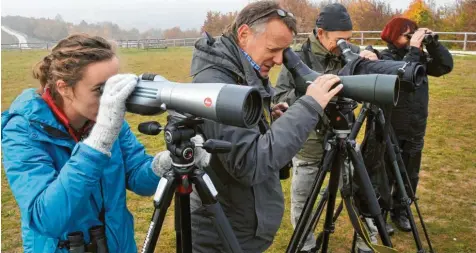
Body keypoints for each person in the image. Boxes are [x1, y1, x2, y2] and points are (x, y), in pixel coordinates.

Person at [1, 34, 209, 253]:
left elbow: (137, 177)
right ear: (63, 87)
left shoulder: (106, 118)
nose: (111, 99)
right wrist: (98, 143)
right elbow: (46, 218)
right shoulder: (23, 131)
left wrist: (169, 163)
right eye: (100, 90)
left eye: (114, 87)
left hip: (118, 244)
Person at [188, 1, 343, 252]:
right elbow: (249, 162)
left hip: (239, 227)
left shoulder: (241, 72)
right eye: (274, 49)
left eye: (285, 51)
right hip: (221, 236)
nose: (281, 60)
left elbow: (242, 138)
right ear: (244, 34)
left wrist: (267, 119)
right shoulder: (217, 86)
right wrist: (309, 106)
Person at [273, 3, 378, 252]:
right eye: (340, 40)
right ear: (321, 33)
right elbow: (279, 96)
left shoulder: (351, 53)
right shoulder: (297, 58)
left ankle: (366, 242)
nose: (345, 46)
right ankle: (306, 246)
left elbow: (373, 78)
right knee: (303, 200)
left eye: (349, 40)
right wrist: (313, 99)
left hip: (345, 138)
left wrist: (373, 58)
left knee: (359, 194)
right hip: (308, 144)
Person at [378, 17, 453, 232]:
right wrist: (414, 49)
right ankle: (380, 214)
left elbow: (444, 66)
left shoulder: (418, 57)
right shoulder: (383, 57)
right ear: (393, 35)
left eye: (414, 34)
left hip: (415, 127)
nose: (412, 39)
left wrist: (433, 45)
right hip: (390, 128)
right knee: (385, 174)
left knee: (410, 175)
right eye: (406, 34)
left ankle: (401, 211)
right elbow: (403, 75)